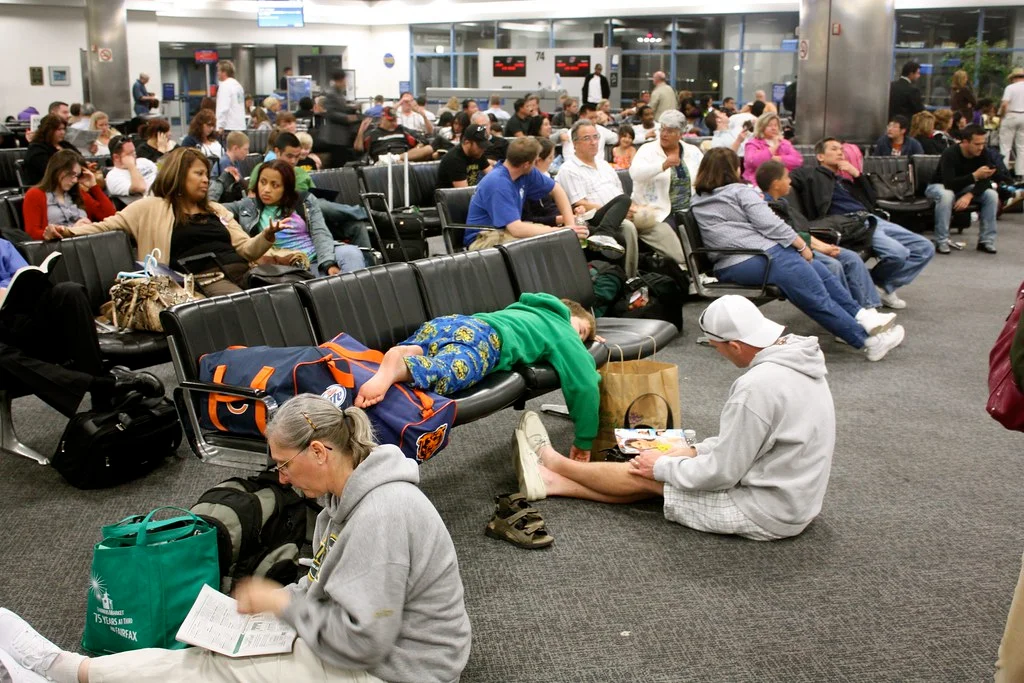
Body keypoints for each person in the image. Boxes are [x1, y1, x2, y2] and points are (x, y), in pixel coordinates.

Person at [0, 392, 471, 683]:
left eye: (284, 465)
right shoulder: (343, 501)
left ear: (321, 451)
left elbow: (365, 641)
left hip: (400, 671)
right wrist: (265, 610)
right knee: (213, 654)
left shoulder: (383, 514)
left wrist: (282, 607)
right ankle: (65, 671)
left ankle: (61, 670)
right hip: (373, 646)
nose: (282, 479)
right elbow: (325, 589)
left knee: (220, 669)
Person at [514, 295, 834, 541]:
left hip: (765, 512)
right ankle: (555, 483)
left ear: (735, 346)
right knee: (662, 467)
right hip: (794, 499)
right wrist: (691, 452)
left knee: (649, 474)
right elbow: (754, 445)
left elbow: (721, 474)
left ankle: (555, 464)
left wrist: (662, 465)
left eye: (716, 347)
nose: (717, 354)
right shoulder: (799, 359)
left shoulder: (756, 388)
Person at [692, 148, 904, 359]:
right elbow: (771, 225)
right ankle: (868, 341)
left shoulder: (698, 200)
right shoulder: (740, 191)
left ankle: (863, 316)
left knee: (817, 269)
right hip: (757, 257)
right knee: (816, 294)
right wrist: (802, 246)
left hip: (736, 262)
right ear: (733, 169)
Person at [356, 292, 599, 453]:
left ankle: (409, 352)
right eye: (581, 331)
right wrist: (584, 441)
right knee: (452, 370)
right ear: (570, 316)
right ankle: (402, 367)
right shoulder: (562, 328)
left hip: (449, 323)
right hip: (485, 339)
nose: (578, 339)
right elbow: (585, 382)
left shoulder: (525, 311)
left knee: (433, 349)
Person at [45, 147, 283, 296]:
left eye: (206, 175)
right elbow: (106, 225)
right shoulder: (150, 208)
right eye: (198, 174)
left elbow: (246, 249)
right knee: (248, 304)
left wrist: (266, 236)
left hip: (242, 272)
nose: (206, 181)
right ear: (179, 176)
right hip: (202, 280)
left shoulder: (215, 209)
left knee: (287, 293)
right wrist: (65, 232)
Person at [0, 238, 162, 418]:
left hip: (16, 323)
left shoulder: (3, 245)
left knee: (70, 292)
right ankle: (102, 384)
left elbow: (24, 278)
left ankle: (101, 401)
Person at [790, 138, 934, 310]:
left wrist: (857, 175)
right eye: (834, 149)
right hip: (852, 224)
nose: (840, 153)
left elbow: (872, 201)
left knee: (925, 248)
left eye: (841, 150)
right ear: (820, 156)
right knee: (898, 253)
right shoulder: (809, 175)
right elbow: (785, 179)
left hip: (871, 218)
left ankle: (881, 285)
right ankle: (877, 287)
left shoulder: (844, 180)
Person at [757, 160, 888, 313]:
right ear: (776, 184)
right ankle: (847, 315)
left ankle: (869, 309)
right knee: (834, 265)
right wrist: (821, 247)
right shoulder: (767, 208)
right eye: (786, 177)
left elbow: (800, 230)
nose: (790, 180)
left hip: (807, 243)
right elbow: (789, 236)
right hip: (793, 250)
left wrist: (821, 245)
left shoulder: (783, 202)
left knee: (851, 258)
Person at [559, 120, 685, 273]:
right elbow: (579, 203)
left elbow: (620, 193)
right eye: (587, 138)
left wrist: (632, 208)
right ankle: (629, 277)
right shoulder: (569, 169)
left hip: (624, 210)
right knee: (628, 228)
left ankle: (686, 268)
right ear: (575, 143)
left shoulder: (604, 165)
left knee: (656, 223)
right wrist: (618, 210)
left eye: (596, 137)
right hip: (598, 217)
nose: (593, 142)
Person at [223, 160, 364, 275]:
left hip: (317, 254)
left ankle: (355, 300)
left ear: (286, 187)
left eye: (275, 185)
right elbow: (211, 206)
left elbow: (320, 233)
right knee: (318, 281)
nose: (266, 189)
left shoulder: (304, 200)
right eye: (263, 182)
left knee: (352, 253)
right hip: (287, 263)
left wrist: (328, 263)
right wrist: (222, 179)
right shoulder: (247, 206)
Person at [463, 136, 582, 251]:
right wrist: (562, 231)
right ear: (526, 164)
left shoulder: (525, 173)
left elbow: (557, 190)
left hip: (505, 231)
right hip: (483, 238)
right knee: (549, 240)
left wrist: (570, 226)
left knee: (555, 237)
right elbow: (516, 229)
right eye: (535, 160)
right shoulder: (498, 183)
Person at [925, 124, 1007, 255]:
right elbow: (949, 183)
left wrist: (969, 195)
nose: (981, 147)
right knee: (947, 195)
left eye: (983, 143)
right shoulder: (950, 153)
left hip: (965, 187)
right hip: (939, 185)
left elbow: (985, 181)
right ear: (965, 142)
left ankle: (986, 240)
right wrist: (974, 176)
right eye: (977, 144)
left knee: (991, 195)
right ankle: (941, 240)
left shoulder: (983, 153)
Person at [628, 109, 703, 243]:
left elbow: (704, 176)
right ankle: (684, 263)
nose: (664, 134)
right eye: (662, 129)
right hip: (658, 212)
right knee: (681, 238)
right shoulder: (647, 150)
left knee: (705, 232)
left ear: (680, 134)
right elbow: (635, 174)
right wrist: (662, 166)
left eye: (670, 131)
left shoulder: (693, 152)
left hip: (690, 210)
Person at [21, 149, 115, 240]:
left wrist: (94, 186)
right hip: (57, 248)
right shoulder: (35, 194)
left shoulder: (79, 193)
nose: (75, 180)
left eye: (77, 176)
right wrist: (72, 230)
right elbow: (32, 234)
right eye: (71, 174)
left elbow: (110, 217)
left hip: (86, 243)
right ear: (57, 170)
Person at [355, 107, 434, 163]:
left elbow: (423, 140)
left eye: (395, 120)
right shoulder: (373, 133)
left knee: (429, 148)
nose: (394, 123)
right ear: (382, 118)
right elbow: (358, 149)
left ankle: (395, 158)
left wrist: (418, 146)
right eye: (391, 120)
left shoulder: (402, 130)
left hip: (404, 159)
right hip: (383, 161)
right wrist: (361, 131)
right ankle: (394, 159)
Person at [741, 111, 802, 185]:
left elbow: (797, 160)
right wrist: (774, 147)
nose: (774, 128)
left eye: (776, 125)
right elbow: (752, 161)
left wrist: (777, 159)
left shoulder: (784, 143)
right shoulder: (752, 143)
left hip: (781, 181)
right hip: (757, 183)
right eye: (770, 125)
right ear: (761, 127)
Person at [318, 70, 361, 168]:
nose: (345, 82)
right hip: (335, 136)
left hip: (341, 136)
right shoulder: (331, 94)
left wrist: (351, 108)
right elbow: (331, 113)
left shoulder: (339, 94)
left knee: (341, 161)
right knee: (337, 163)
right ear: (340, 80)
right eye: (344, 80)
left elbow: (340, 108)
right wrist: (347, 118)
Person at [22, 115, 78, 186]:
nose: (63, 132)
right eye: (59, 129)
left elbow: (79, 158)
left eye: (63, 129)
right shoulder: (36, 150)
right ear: (48, 130)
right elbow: (51, 172)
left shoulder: (65, 144)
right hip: (47, 186)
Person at [104, 136, 158, 203]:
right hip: (149, 207)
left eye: (134, 151)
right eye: (130, 153)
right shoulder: (113, 176)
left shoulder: (144, 161)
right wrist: (132, 166)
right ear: (116, 157)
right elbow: (141, 188)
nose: (135, 155)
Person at [437, 123, 492, 189]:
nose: (483, 149)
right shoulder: (454, 160)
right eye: (480, 146)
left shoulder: (477, 154)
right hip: (451, 198)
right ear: (467, 142)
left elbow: (492, 175)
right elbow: (464, 194)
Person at [1000, 67, 1024, 181]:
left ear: (1014, 78)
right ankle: (1020, 173)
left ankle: (1004, 173)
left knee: (1005, 146)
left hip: (1011, 114)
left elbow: (1005, 104)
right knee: (1021, 147)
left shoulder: (1010, 88)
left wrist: (1002, 115)